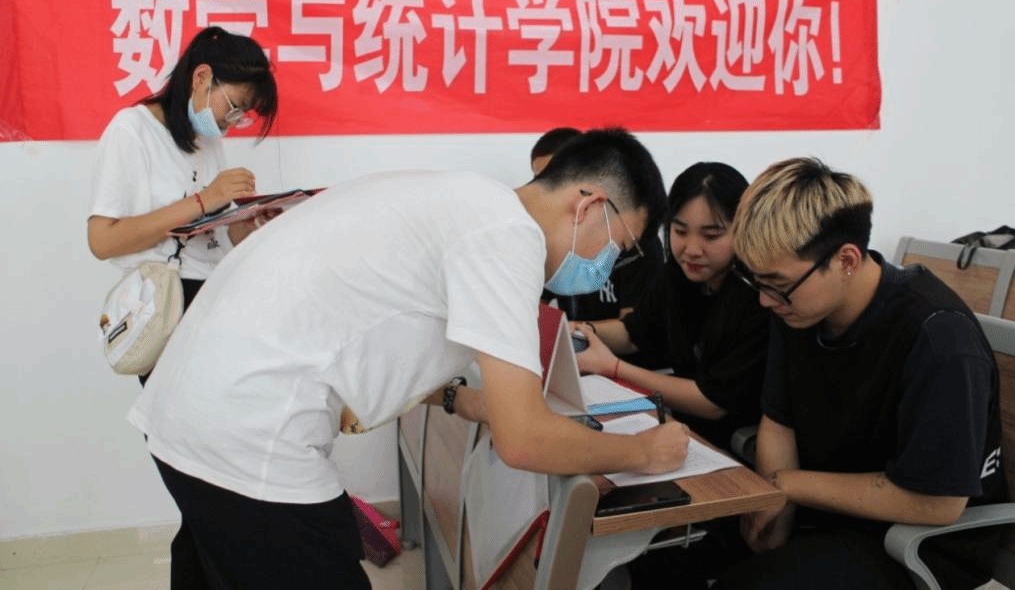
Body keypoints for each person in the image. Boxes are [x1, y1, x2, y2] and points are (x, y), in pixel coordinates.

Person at [128, 127, 690, 590]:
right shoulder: (507, 235)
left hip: (183, 413)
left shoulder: (465, 203)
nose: (608, 264)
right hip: (248, 442)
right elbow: (524, 441)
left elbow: (376, 326)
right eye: (619, 245)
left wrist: (465, 400)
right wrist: (642, 451)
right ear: (590, 205)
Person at [715, 157, 1008, 590]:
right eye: (756, 282)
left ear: (847, 260)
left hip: (916, 543)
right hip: (829, 517)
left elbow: (938, 503)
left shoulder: (939, 338)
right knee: (678, 550)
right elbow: (779, 420)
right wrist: (778, 508)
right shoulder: (798, 309)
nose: (765, 300)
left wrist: (788, 486)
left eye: (776, 284)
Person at [88, 26, 279, 383]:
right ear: (201, 77)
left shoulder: (207, 139)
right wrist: (204, 200)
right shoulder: (132, 130)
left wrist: (245, 226)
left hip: (213, 298)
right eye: (234, 107)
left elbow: (208, 239)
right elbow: (102, 241)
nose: (233, 122)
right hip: (167, 306)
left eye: (242, 115)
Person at [574, 162, 769, 451]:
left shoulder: (759, 296)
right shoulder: (676, 276)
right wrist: (581, 330)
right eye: (679, 231)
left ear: (743, 230)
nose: (691, 249)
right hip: (682, 429)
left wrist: (613, 367)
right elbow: (634, 333)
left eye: (711, 235)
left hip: (733, 442)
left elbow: (713, 403)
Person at [532, 126, 663, 322]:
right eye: (540, 180)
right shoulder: (541, 239)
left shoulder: (633, 236)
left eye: (555, 179)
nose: (548, 193)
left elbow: (636, 327)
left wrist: (576, 330)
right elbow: (535, 304)